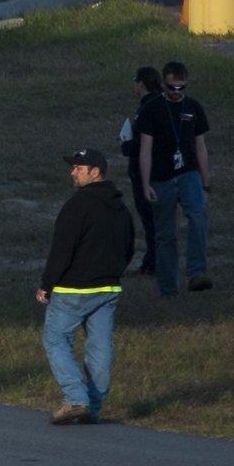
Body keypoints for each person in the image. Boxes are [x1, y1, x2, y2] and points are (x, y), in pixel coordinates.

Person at [39, 148, 133, 423]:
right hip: (109, 288)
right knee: (100, 345)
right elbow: (128, 247)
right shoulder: (120, 207)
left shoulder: (77, 205)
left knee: (55, 339)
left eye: (79, 168)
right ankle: (94, 405)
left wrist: (47, 284)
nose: (73, 172)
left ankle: (75, 399)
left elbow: (62, 249)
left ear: (96, 172)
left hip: (74, 289)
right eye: (74, 167)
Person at [139, 59, 213, 294]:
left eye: (181, 88)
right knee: (166, 235)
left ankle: (197, 272)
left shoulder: (193, 107)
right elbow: (145, 150)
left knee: (198, 216)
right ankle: (168, 289)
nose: (177, 93)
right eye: (172, 88)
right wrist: (145, 183)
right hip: (161, 176)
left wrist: (206, 183)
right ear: (164, 84)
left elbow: (200, 147)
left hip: (188, 172)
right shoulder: (151, 109)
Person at [118, 67, 162, 274]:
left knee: (150, 218)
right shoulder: (158, 103)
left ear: (141, 83)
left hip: (145, 171)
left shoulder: (148, 107)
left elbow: (146, 141)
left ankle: (154, 262)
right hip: (155, 170)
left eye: (136, 81)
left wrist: (127, 146)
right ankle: (153, 259)